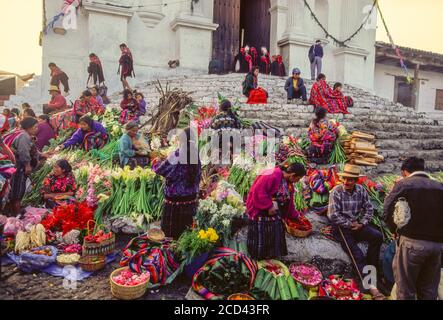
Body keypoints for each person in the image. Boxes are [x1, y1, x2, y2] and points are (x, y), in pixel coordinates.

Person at [384, 157, 443, 300]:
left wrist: (394, 231)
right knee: (429, 291)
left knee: (406, 290)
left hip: (412, 243)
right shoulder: (440, 186)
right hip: (437, 247)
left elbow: (387, 210)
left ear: (405, 172)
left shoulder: (404, 184)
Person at [327, 164, 386, 300]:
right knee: (356, 253)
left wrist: (362, 223)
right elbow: (333, 215)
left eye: (351, 180)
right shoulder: (336, 191)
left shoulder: (361, 190)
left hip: (357, 225)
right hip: (341, 227)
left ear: (356, 181)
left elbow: (369, 209)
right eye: (345, 179)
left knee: (377, 236)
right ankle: (372, 287)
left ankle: (372, 269)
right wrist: (349, 224)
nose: (347, 182)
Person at [246, 163, 306, 260]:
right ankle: (258, 256)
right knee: (261, 233)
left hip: (272, 210)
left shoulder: (288, 183)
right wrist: (269, 206)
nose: (296, 181)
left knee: (277, 228)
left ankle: (270, 254)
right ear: (292, 175)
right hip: (259, 208)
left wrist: (295, 216)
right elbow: (258, 191)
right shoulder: (272, 175)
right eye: (297, 179)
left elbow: (289, 202)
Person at [152, 127, 201, 239]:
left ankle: (171, 250)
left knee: (172, 232)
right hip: (191, 198)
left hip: (175, 199)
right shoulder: (195, 154)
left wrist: (156, 162)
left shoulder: (177, 154)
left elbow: (160, 169)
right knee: (187, 229)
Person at [5, 117, 42, 214]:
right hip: (19, 168)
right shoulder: (24, 136)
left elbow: (31, 149)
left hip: (16, 167)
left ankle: (12, 209)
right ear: (28, 127)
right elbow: (23, 152)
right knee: (17, 189)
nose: (36, 129)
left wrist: (41, 154)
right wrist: (27, 165)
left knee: (15, 188)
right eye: (35, 127)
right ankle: (16, 212)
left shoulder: (24, 134)